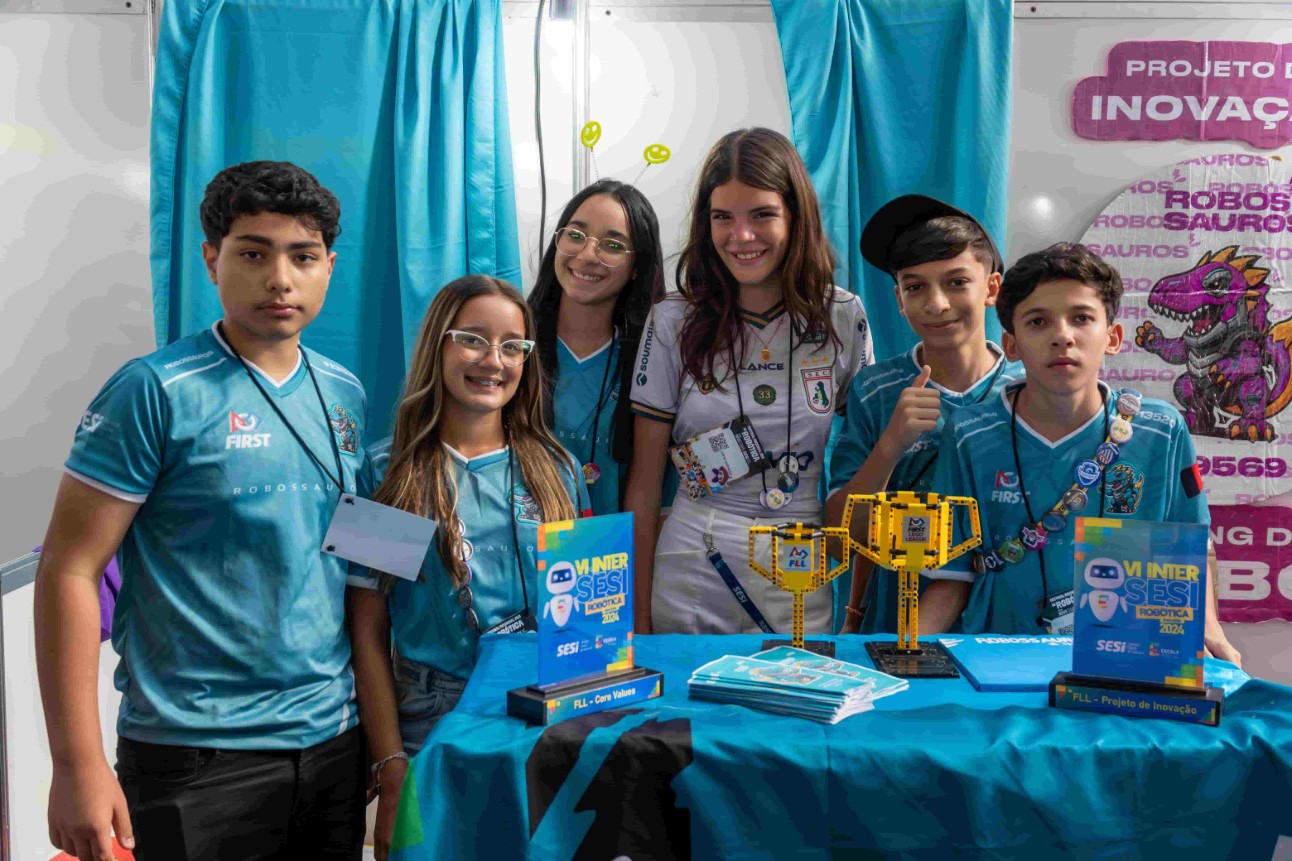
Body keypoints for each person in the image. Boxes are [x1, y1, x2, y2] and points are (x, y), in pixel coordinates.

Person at [35, 161, 368, 861]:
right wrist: (75, 765)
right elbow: (69, 569)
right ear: (212, 259)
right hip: (194, 753)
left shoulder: (344, 392)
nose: (280, 279)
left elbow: (351, 547)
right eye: (254, 254)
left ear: (329, 267)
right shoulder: (154, 391)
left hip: (331, 740)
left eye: (303, 256)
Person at [347, 275, 589, 860]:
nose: (493, 360)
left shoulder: (556, 469)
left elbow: (588, 619)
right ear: (438, 345)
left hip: (545, 705)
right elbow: (367, 632)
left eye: (512, 346)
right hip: (432, 712)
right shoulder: (389, 474)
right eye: (473, 339)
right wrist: (391, 767)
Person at [927, 242, 1241, 664]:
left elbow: (1191, 551)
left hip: (1127, 659)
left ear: (1112, 337)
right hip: (997, 658)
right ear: (1012, 344)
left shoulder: (1160, 430)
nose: (1062, 336)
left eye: (1081, 318)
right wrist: (902, 651)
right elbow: (953, 576)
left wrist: (1210, 631)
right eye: (1038, 321)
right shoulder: (970, 433)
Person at [625, 127, 871, 635]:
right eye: (723, 217)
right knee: (687, 689)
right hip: (695, 554)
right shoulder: (673, 319)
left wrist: (856, 613)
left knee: (798, 686)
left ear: (796, 217)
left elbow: (866, 476)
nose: (741, 236)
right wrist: (638, 622)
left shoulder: (843, 316)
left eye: (762, 215)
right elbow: (645, 487)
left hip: (799, 550)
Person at [825, 196, 1022, 635]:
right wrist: (890, 445)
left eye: (957, 282)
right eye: (915, 287)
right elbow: (840, 541)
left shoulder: (1028, 389)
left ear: (992, 289)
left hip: (1007, 625)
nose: (936, 304)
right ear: (899, 299)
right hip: (895, 623)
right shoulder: (876, 390)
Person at [528, 179, 665, 515]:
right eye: (575, 235)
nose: (587, 255)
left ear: (637, 268)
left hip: (601, 547)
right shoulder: (511, 349)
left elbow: (654, 500)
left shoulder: (651, 366)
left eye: (613, 245)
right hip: (505, 544)